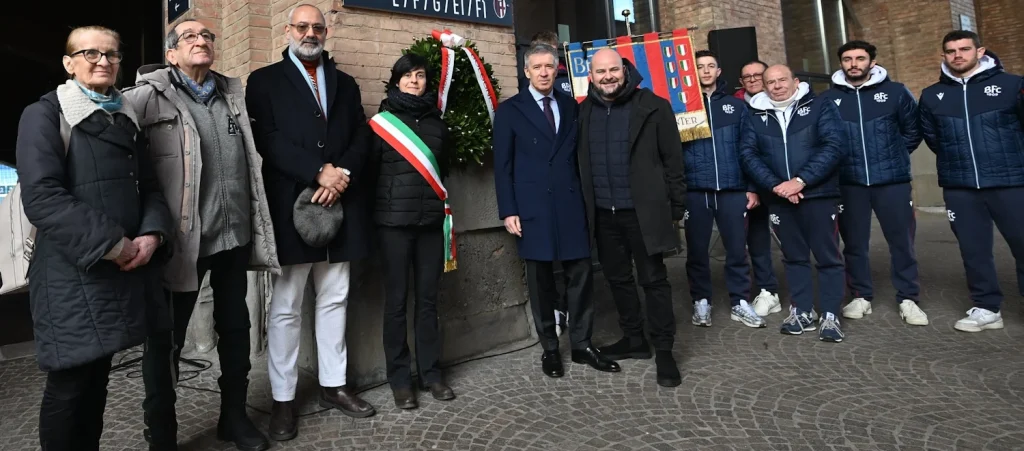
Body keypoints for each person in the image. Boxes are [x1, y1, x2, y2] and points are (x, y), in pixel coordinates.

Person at [123, 18, 281, 451]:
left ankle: (234, 417)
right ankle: (162, 432)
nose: (201, 41)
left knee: (235, 330)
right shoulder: (143, 100)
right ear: (171, 53)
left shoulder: (232, 97)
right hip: (180, 244)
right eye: (189, 36)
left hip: (234, 238)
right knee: (166, 340)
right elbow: (120, 165)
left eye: (207, 36)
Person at [16, 25, 173, 450]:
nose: (103, 61)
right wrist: (115, 245)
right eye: (90, 53)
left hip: (122, 271)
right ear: (69, 63)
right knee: (70, 384)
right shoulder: (46, 114)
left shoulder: (124, 115)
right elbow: (43, 198)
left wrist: (152, 235)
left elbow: (151, 187)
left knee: (98, 378)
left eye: (112, 54)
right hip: (72, 274)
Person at [245, 4, 375, 441]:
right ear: (288, 30)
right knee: (285, 307)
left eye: (317, 26)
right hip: (291, 207)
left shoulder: (347, 83)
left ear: (326, 30)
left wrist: (342, 177)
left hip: (341, 203)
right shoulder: (263, 81)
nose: (310, 33)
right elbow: (268, 140)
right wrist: (317, 172)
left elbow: (361, 136)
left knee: (335, 295)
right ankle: (283, 399)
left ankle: (333, 386)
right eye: (302, 26)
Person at [493, 44, 620, 379]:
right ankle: (550, 348)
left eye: (549, 66)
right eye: (537, 67)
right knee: (540, 280)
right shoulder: (509, 111)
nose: (544, 72)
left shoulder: (571, 106)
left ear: (557, 69)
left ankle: (582, 344)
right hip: (532, 207)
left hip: (570, 203)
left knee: (580, 274)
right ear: (526, 72)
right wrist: (508, 210)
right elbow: (502, 166)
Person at [579, 48, 686, 387]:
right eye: (601, 72)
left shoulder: (653, 106)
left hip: (644, 213)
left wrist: (676, 207)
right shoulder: (582, 112)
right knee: (618, 279)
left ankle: (665, 349)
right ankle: (634, 339)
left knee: (654, 280)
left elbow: (674, 161)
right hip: (603, 215)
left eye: (614, 70)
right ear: (591, 76)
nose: (608, 76)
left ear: (624, 71)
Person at [919, 30, 1024, 333]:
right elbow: (934, 138)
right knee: (973, 250)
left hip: (1011, 181)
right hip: (960, 185)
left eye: (964, 49)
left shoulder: (1012, 85)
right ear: (944, 56)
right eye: (951, 51)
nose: (958, 55)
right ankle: (987, 308)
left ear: (980, 51)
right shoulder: (932, 95)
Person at [818, 40, 927, 326]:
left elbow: (913, 131)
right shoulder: (828, 100)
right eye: (848, 59)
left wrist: (893, 156)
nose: (854, 64)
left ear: (872, 62)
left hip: (892, 181)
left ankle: (908, 297)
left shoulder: (895, 92)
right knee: (854, 243)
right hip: (849, 183)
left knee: (902, 241)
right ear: (840, 63)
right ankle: (861, 295)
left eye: (860, 58)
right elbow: (824, 139)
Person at [370, 54, 456, 409]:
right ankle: (400, 379)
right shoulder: (381, 124)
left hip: (431, 226)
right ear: (396, 81)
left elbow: (444, 169)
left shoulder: (438, 125)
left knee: (428, 302)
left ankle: (431, 374)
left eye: (420, 76)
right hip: (393, 226)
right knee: (396, 304)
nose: (415, 81)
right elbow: (371, 174)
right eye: (408, 76)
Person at [739, 64, 848, 343]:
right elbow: (749, 154)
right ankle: (801, 311)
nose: (777, 86)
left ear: (795, 81)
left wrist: (801, 181)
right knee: (794, 257)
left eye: (782, 80)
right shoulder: (754, 114)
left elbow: (834, 145)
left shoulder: (820, 105)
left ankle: (830, 315)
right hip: (779, 198)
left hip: (818, 195)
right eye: (770, 82)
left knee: (827, 257)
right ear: (764, 87)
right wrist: (777, 186)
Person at [684, 50, 765, 329]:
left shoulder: (737, 106)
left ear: (719, 72)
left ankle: (740, 301)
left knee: (736, 249)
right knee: (696, 251)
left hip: (733, 189)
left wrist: (752, 187)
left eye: (710, 66)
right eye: (700, 67)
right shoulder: (682, 107)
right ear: (692, 72)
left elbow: (750, 149)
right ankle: (701, 300)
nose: (705, 71)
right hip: (695, 190)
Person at [735, 59, 782, 316]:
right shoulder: (736, 106)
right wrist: (751, 185)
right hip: (753, 185)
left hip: (785, 184)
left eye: (757, 75)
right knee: (758, 240)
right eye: (747, 76)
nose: (753, 79)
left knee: (795, 241)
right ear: (741, 82)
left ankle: (805, 298)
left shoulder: (783, 101)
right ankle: (768, 290)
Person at [518, 31, 572, 98]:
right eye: (546, 51)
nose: (544, 73)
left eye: (554, 51)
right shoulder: (524, 83)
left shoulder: (570, 74)